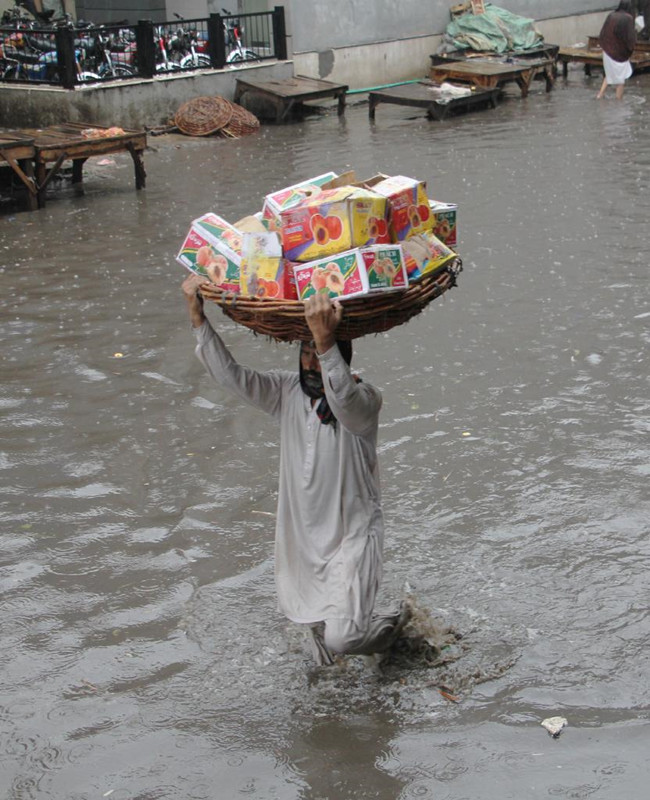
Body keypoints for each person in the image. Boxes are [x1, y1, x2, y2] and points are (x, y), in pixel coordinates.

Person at [182, 273, 411, 666]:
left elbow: (342, 397)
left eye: (319, 352)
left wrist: (325, 340)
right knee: (319, 645)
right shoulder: (286, 392)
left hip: (352, 536)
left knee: (345, 638)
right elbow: (232, 377)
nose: (310, 361)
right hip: (304, 535)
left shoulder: (365, 400)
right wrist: (197, 316)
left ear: (342, 356)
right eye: (304, 351)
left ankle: (396, 627)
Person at [597, 1, 637, 100]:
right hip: (619, 54)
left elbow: (603, 33)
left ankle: (600, 95)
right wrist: (630, 49)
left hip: (607, 51)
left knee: (609, 73)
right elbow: (629, 38)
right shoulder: (628, 18)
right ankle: (619, 100)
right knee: (620, 78)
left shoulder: (611, 15)